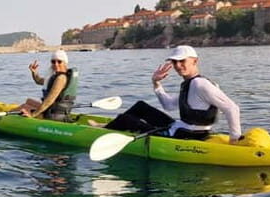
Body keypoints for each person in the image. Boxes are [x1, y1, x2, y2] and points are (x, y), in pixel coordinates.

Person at [103, 45, 242, 142]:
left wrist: (234, 139)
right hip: (181, 128)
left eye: (182, 61)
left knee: (125, 120)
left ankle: (102, 130)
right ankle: (107, 128)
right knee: (141, 107)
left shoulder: (200, 84)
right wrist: (156, 83)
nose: (178, 66)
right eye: (175, 62)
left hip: (186, 136)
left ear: (195, 61)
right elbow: (169, 106)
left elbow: (232, 108)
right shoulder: (190, 83)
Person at [16, 49, 78, 121]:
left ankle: (4, 119)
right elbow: (39, 81)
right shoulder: (57, 76)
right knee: (29, 101)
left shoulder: (61, 78)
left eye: (59, 61)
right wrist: (34, 72)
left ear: (65, 63)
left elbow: (49, 100)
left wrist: (32, 115)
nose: (56, 64)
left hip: (53, 115)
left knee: (24, 107)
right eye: (53, 62)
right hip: (55, 110)